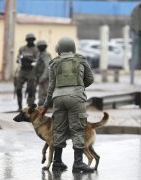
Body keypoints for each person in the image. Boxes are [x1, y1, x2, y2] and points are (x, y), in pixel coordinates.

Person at [39, 37, 95, 173]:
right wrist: (79, 87)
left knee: (58, 130)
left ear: (59, 48)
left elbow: (51, 87)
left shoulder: (54, 63)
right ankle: (78, 163)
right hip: (76, 98)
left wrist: (46, 105)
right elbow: (90, 79)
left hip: (58, 98)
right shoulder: (81, 60)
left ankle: (57, 162)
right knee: (77, 129)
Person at [15, 33, 39, 110]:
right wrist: (20, 60)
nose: (30, 41)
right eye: (29, 40)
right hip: (22, 70)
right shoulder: (22, 49)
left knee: (30, 89)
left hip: (31, 71)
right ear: (26, 40)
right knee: (18, 88)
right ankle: (19, 106)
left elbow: (38, 60)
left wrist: (29, 60)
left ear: (34, 40)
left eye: (32, 40)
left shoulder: (36, 49)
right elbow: (18, 58)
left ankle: (30, 106)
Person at [35, 40, 51, 106]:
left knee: (46, 91)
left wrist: (43, 77)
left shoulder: (46, 55)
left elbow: (48, 66)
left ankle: (48, 103)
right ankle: (42, 103)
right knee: (41, 91)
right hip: (41, 76)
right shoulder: (39, 54)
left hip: (46, 77)